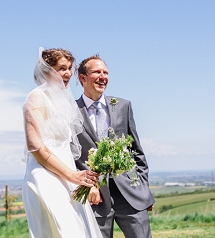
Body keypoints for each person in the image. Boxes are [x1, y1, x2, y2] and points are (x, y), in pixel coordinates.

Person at [22, 48, 102, 237]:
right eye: (61, 68)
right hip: (45, 176)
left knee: (79, 230)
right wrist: (71, 175)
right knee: (63, 230)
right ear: (47, 70)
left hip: (68, 178)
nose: (67, 73)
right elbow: (35, 146)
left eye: (69, 68)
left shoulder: (64, 102)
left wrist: (79, 179)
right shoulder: (36, 97)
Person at [75, 54, 155, 238]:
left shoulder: (123, 106)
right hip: (94, 197)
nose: (103, 76)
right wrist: (86, 186)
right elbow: (71, 155)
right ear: (82, 78)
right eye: (97, 72)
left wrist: (142, 189)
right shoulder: (71, 111)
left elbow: (137, 151)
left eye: (106, 72)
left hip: (130, 194)